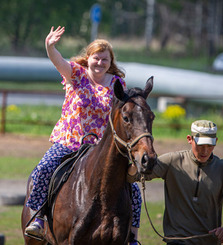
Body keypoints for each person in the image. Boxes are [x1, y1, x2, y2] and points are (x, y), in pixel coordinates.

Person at [25, 26, 142, 244]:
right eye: (96, 58)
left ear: (110, 62)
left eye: (105, 60)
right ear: (88, 59)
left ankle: (133, 236)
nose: (100, 63)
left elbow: (124, 112)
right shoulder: (75, 74)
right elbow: (58, 61)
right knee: (42, 170)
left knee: (133, 188)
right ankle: (39, 219)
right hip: (71, 140)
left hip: (103, 146)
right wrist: (50, 46)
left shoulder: (118, 84)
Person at [127, 120, 223, 245]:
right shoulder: (172, 161)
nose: (205, 151)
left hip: (210, 241)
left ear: (216, 141)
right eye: (200, 145)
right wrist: (135, 161)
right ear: (189, 139)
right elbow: (133, 177)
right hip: (177, 241)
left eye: (210, 145)